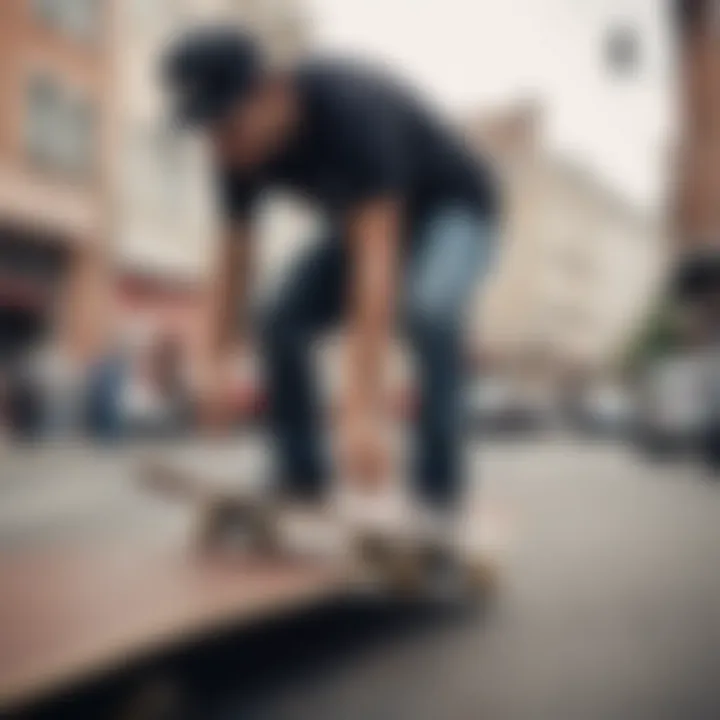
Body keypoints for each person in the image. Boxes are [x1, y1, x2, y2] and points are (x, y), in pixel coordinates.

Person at [161, 27, 501, 536]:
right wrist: (216, 362)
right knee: (280, 319)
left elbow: (376, 262)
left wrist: (361, 413)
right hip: (364, 225)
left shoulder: (350, 108)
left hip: (456, 212)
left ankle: (438, 489)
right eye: (207, 131)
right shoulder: (234, 151)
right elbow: (234, 259)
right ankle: (301, 474)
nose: (220, 148)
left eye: (227, 127)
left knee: (430, 310)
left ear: (271, 93)